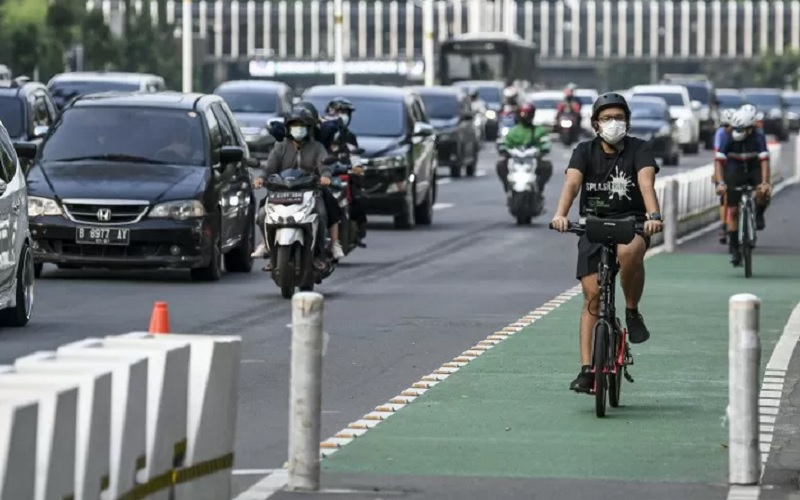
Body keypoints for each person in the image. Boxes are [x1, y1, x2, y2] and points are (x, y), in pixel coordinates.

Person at [550, 92, 663, 394]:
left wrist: (653, 215)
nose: (614, 123)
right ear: (595, 124)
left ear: (628, 121)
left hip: (632, 223)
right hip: (593, 225)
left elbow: (646, 183)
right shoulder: (584, 151)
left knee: (630, 252)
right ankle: (588, 370)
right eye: (607, 118)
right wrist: (561, 214)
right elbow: (572, 183)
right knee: (592, 299)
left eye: (619, 118)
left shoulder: (640, 149)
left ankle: (631, 310)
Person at [251, 108, 342, 269]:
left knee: (321, 214)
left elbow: (324, 165)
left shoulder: (317, 147)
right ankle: (267, 247)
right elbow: (269, 169)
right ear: (288, 128)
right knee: (262, 214)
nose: (298, 129)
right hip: (281, 191)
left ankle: (319, 255)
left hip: (310, 191)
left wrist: (325, 176)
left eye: (302, 126)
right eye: (294, 125)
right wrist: (261, 179)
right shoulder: (280, 147)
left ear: (309, 128)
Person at [714, 106, 772, 266]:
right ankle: (734, 249)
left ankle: (758, 213)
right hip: (734, 170)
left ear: (750, 129)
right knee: (733, 210)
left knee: (763, 191)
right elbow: (718, 163)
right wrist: (720, 183)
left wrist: (765, 183)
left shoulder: (758, 137)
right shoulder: (727, 138)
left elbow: (764, 161)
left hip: (753, 169)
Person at [322, 97, 368, 246]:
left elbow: (354, 154)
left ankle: (357, 232)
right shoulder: (319, 131)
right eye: (340, 111)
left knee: (358, 199)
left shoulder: (348, 136)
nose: (343, 115)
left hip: (341, 173)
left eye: (346, 112)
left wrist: (357, 167)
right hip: (321, 174)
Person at [495, 102, 553, 195]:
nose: (526, 116)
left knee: (547, 166)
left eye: (528, 114)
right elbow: (505, 142)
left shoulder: (539, 130)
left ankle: (539, 187)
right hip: (515, 158)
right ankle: (507, 185)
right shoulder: (513, 131)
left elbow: (545, 142)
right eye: (523, 114)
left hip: (533, 158)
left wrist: (543, 149)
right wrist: (503, 149)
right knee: (500, 165)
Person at [714, 108, 736, 244]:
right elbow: (717, 156)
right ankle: (723, 225)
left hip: (738, 166)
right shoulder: (720, 134)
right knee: (725, 196)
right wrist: (716, 175)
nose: (728, 129)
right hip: (725, 166)